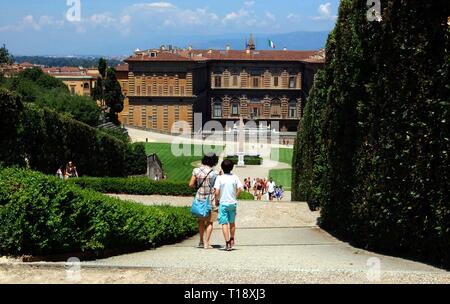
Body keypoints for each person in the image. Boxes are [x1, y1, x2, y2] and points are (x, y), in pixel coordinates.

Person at [189, 153, 219, 249]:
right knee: (210, 222)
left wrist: (198, 187)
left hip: (199, 198)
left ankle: (201, 241)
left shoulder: (196, 170)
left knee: (200, 221)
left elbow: (190, 184)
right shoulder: (215, 173)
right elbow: (216, 189)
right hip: (210, 199)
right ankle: (207, 242)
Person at [214, 159, 243, 251]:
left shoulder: (220, 178)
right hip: (232, 203)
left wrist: (217, 199)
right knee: (232, 222)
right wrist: (235, 196)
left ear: (222, 168)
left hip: (223, 203)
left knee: (224, 223)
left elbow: (217, 192)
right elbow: (240, 188)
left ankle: (227, 243)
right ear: (231, 168)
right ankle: (232, 238)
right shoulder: (235, 177)